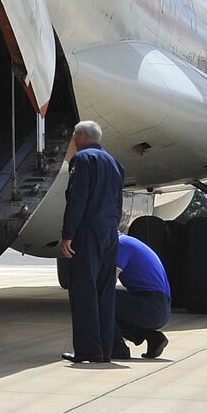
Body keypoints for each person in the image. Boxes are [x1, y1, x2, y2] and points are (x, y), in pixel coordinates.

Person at [59, 120, 124, 363]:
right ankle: (105, 349)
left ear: (82, 137)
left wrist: (68, 234)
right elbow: (118, 201)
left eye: (75, 137)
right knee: (105, 291)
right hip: (110, 230)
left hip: (88, 231)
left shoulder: (83, 160)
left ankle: (88, 350)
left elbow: (78, 199)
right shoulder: (115, 163)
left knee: (83, 289)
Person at [113, 232, 171, 360]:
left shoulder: (120, 244)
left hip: (152, 304)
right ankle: (153, 338)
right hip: (159, 305)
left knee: (101, 299)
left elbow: (109, 282)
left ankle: (117, 348)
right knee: (114, 310)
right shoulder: (128, 241)